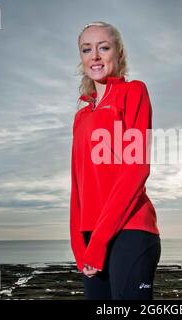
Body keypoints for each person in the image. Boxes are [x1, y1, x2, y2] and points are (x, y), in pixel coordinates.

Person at [69, 21, 161, 300]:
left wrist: (99, 241)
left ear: (118, 53)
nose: (94, 56)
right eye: (87, 49)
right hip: (90, 236)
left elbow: (136, 169)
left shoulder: (133, 92)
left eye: (103, 47)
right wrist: (78, 243)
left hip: (131, 231)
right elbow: (77, 184)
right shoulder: (81, 116)